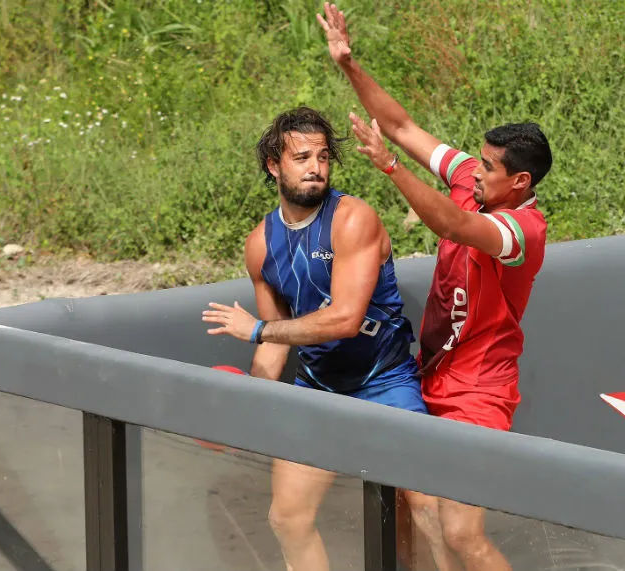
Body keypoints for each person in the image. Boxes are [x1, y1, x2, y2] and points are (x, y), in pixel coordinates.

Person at [317, 4, 553, 571]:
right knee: (413, 508)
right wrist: (348, 64)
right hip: (431, 373)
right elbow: (401, 127)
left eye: (489, 167)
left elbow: (453, 225)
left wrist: (392, 169)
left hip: (479, 391)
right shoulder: (475, 177)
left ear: (520, 181)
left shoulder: (522, 230)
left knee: (462, 533)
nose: (476, 170)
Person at [201, 105, 428, 571]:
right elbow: (276, 344)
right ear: (274, 165)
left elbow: (344, 319)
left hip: (386, 383)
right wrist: (249, 404)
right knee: (287, 519)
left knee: (425, 514)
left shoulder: (353, 219)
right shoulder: (260, 244)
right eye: (302, 158)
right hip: (320, 389)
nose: (315, 168)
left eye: (323, 157)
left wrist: (257, 330)